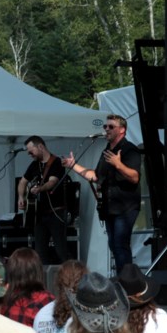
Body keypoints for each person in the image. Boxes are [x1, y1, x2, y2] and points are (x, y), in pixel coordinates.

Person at [63, 115, 141, 273]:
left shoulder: (130, 149)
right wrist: (73, 166)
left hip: (126, 207)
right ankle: (123, 278)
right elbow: (96, 176)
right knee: (113, 244)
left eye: (111, 127)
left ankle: (127, 282)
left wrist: (119, 165)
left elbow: (134, 177)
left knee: (120, 244)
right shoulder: (106, 151)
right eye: (105, 127)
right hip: (109, 207)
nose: (106, 129)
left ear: (122, 130)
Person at [17, 135, 70, 265]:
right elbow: (22, 181)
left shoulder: (56, 162)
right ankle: (43, 281)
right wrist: (21, 197)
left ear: (40, 147)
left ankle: (74, 277)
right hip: (39, 215)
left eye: (31, 151)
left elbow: (52, 182)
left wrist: (40, 188)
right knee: (40, 252)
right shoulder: (34, 165)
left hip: (55, 213)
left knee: (61, 250)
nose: (30, 155)